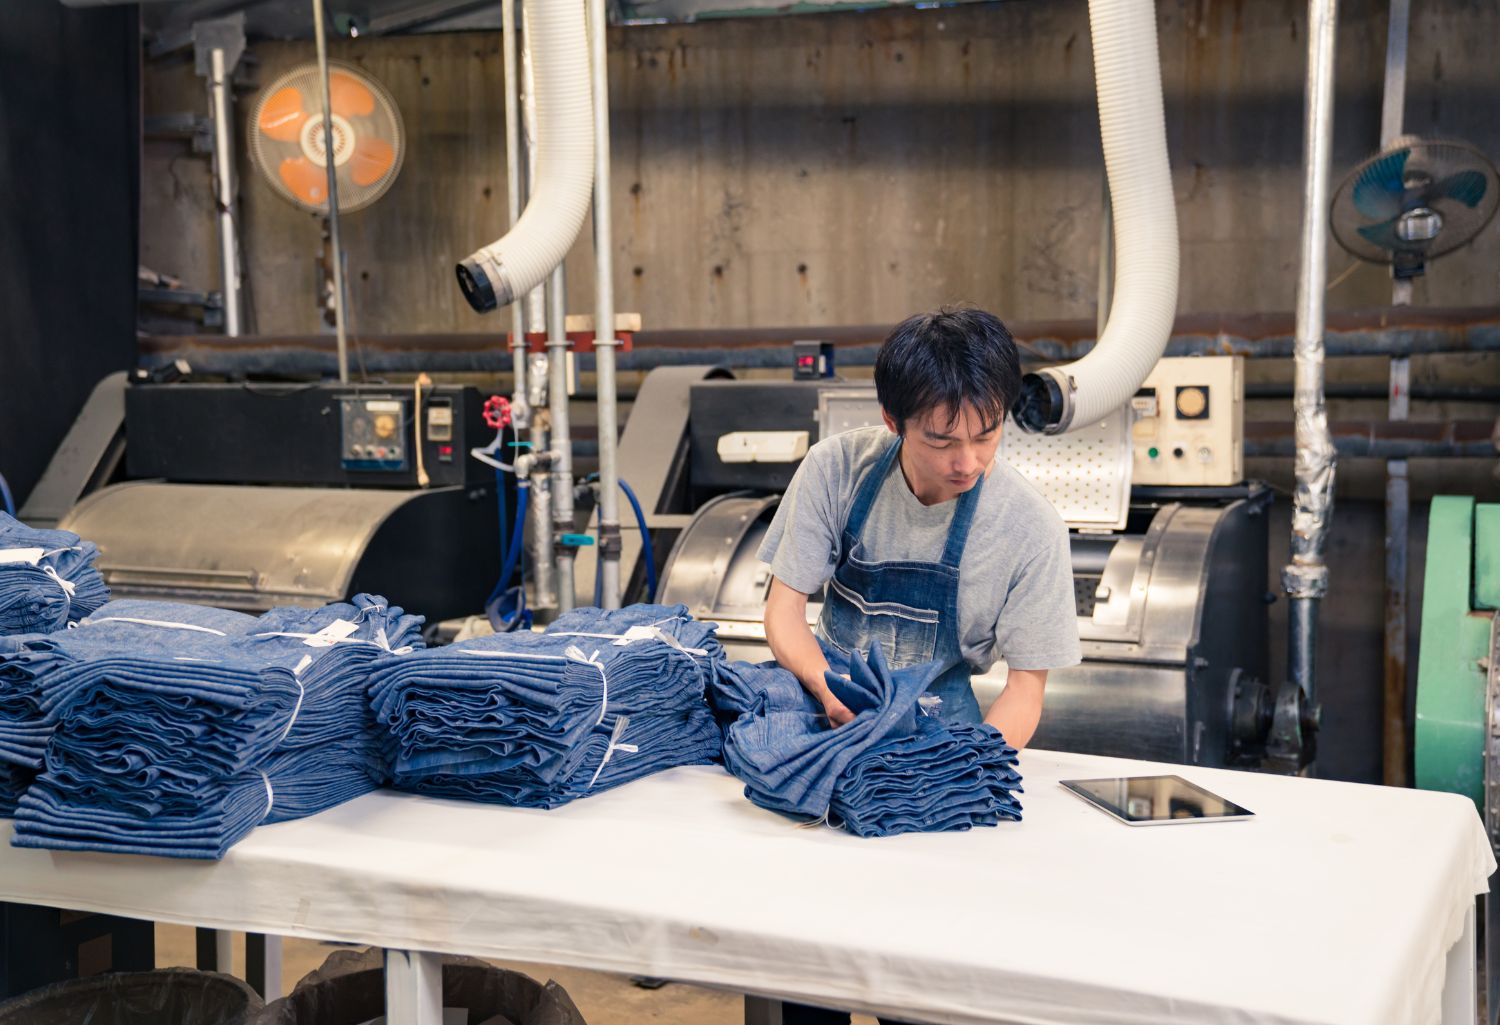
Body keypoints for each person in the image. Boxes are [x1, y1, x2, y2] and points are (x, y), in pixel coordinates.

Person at [756, 307, 1082, 1024]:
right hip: (826, 749)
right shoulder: (838, 470)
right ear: (893, 418)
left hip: (941, 761)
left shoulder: (1028, 528)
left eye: (987, 434)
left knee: (924, 988)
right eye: (942, 439)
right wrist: (825, 691)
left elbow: (1026, 690)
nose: (968, 460)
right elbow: (785, 612)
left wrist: (949, 779)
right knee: (811, 974)